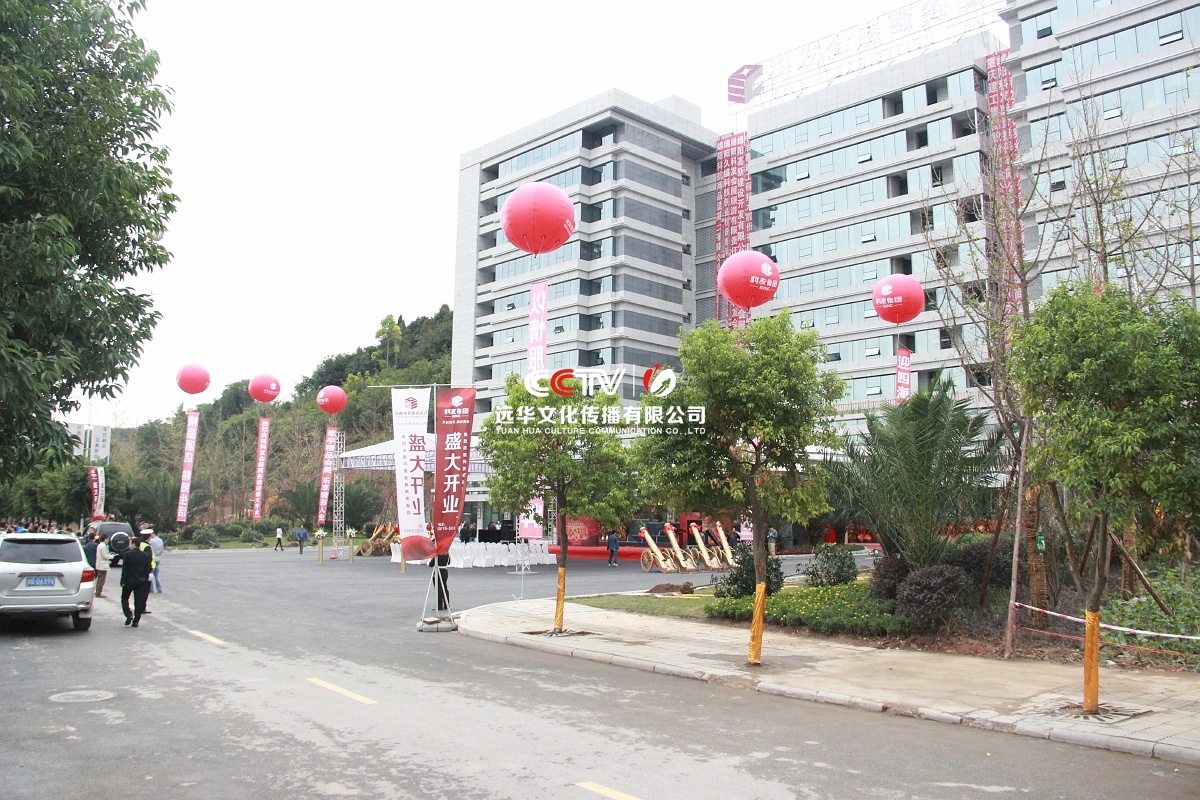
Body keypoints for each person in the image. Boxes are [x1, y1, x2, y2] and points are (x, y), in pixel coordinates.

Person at [109, 532, 153, 627]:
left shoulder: (127, 554)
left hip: (129, 581)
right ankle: (136, 621)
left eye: (130, 543)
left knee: (124, 598)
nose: (129, 545)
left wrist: (122, 581)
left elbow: (125, 569)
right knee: (138, 601)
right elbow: (147, 569)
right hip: (141, 582)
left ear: (133, 544)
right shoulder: (145, 555)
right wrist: (145, 580)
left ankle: (128, 614)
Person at [94, 533, 112, 598]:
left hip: (99, 564)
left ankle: (97, 591)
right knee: (101, 580)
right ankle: (99, 593)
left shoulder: (99, 545)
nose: (108, 540)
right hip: (102, 565)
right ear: (105, 539)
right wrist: (111, 556)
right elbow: (105, 556)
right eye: (107, 539)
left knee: (99, 579)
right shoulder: (103, 546)